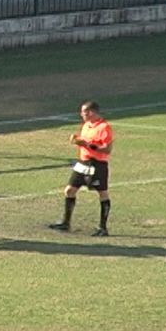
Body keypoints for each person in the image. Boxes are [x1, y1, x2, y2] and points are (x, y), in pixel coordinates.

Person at [49, 101, 114, 237]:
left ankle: (103, 227)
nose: (81, 114)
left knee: (102, 193)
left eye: (84, 112)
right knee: (69, 190)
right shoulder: (86, 126)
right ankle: (66, 222)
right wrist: (78, 141)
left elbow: (107, 149)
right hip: (83, 163)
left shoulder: (104, 127)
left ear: (91, 112)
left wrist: (88, 144)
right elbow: (86, 142)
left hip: (97, 164)